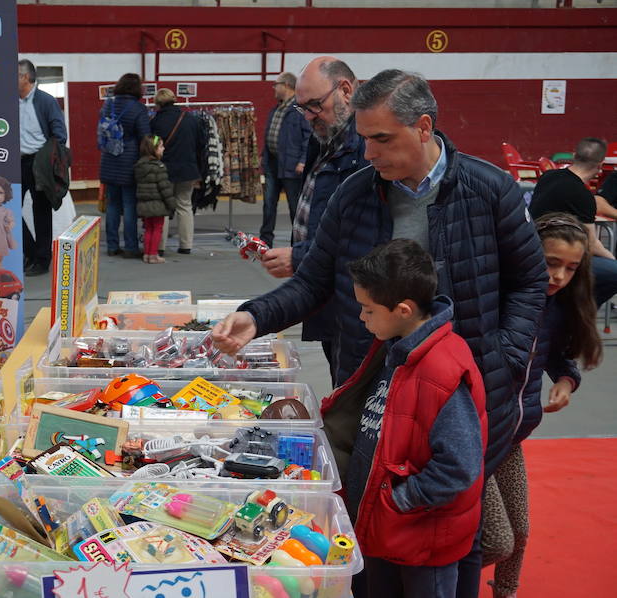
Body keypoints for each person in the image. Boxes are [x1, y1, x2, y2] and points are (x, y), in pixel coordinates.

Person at [212, 69, 547, 598]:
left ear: (423, 127)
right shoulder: (354, 195)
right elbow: (314, 280)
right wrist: (255, 316)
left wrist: (501, 360)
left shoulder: (489, 189)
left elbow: (531, 281)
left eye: (382, 139)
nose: (368, 152)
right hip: (373, 397)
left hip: (462, 396)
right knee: (370, 531)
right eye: (364, 138)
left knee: (452, 539)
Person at [324, 239, 485, 598]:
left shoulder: (441, 369)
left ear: (402, 309)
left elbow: (459, 466)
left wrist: (400, 501)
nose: (361, 318)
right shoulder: (398, 347)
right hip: (387, 526)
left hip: (420, 539)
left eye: (367, 309)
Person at [482, 212, 601, 598]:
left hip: (512, 436)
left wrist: (566, 381)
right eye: (552, 263)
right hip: (477, 435)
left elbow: (557, 357)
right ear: (528, 254)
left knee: (520, 533)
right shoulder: (498, 299)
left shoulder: (556, 308)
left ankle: (506, 592)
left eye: (571, 268)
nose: (560, 277)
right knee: (497, 540)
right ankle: (428, 576)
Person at [260, 57, 368, 386]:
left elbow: (363, 238)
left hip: (358, 306)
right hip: (328, 295)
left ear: (346, 90)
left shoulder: (365, 149)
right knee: (341, 387)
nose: (308, 117)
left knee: (354, 396)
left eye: (314, 106)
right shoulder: (324, 139)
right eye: (302, 108)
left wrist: (302, 256)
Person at [529, 137, 617, 308]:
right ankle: (577, 311)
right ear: (600, 166)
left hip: (531, 247)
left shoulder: (548, 176)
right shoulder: (583, 196)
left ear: (574, 155)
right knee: (613, 272)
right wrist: (612, 258)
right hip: (550, 255)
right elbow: (590, 245)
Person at [18, 59, 68, 277]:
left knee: (42, 213)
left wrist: (48, 158)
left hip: (40, 162)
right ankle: (29, 251)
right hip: (16, 162)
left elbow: (60, 134)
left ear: (26, 78)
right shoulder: (8, 102)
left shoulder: (46, 101)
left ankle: (42, 260)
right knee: (5, 211)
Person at [99, 73, 150, 259]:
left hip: (109, 159)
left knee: (113, 204)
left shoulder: (108, 104)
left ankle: (112, 246)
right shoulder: (138, 108)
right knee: (129, 206)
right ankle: (130, 246)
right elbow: (145, 136)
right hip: (129, 161)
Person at [258, 71, 310, 249]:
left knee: (295, 207)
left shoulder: (299, 109)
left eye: (276, 84)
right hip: (273, 164)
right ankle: (265, 241)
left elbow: (308, 136)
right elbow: (270, 135)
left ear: (287, 85)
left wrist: (303, 161)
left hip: (291, 165)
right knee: (268, 205)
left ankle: (299, 243)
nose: (274, 87)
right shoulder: (277, 109)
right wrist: (264, 158)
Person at [150, 88, 203, 255]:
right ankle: (186, 245)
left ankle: (160, 246)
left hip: (164, 170)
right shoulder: (191, 119)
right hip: (188, 169)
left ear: (158, 103)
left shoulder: (155, 122)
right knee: (185, 205)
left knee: (163, 207)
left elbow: (152, 146)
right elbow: (200, 145)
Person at [134, 134, 177, 264]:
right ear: (154, 149)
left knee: (148, 229)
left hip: (144, 203)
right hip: (158, 204)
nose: (163, 149)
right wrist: (172, 205)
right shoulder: (159, 167)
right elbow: (165, 189)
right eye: (161, 146)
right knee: (157, 229)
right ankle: (153, 255)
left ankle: (147, 254)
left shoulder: (139, 166)